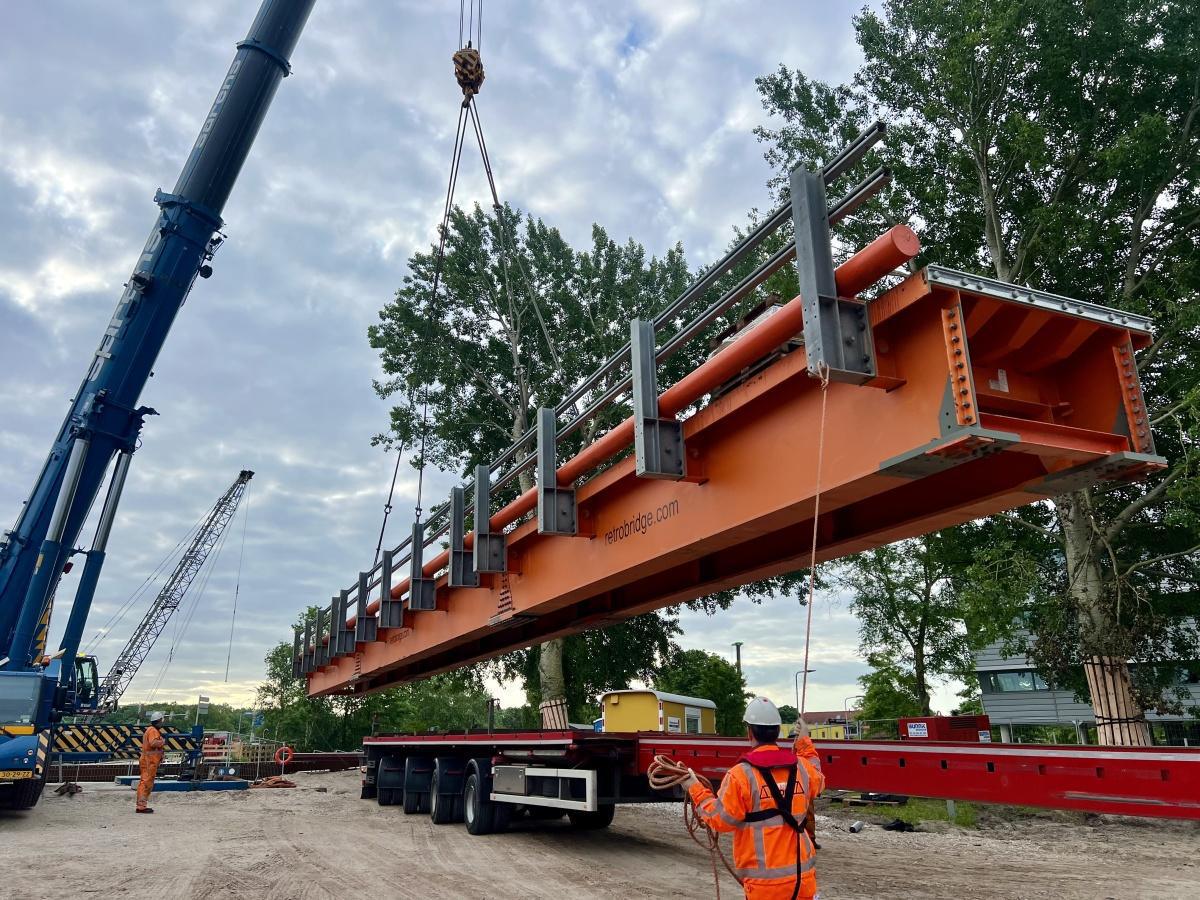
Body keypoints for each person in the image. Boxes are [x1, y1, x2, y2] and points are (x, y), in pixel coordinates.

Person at [684, 697, 825, 899]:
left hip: (765, 888)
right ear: (777, 731)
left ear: (749, 733)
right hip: (803, 881)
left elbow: (719, 820)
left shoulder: (740, 775)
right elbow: (818, 777)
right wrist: (803, 739)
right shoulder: (802, 767)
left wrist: (693, 788)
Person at [136, 710, 166, 814]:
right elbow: (153, 743)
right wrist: (163, 741)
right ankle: (141, 806)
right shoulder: (153, 731)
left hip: (150, 761)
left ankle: (142, 805)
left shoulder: (151, 730)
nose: (162, 722)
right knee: (146, 782)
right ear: (158, 721)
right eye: (161, 720)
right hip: (149, 761)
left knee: (146, 782)